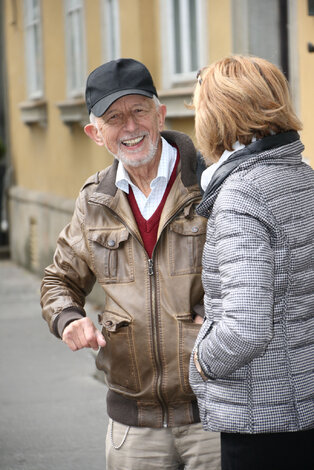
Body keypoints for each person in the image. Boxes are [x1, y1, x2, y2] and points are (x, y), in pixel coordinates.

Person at [40, 58, 221, 470]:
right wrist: (67, 318)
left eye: (140, 111)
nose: (130, 127)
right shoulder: (94, 201)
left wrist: (219, 314)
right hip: (133, 423)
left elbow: (255, 271)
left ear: (160, 114)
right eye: (114, 118)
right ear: (95, 133)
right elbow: (59, 279)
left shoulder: (210, 184)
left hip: (212, 412)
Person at [189, 55, 314, 470]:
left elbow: (245, 329)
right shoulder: (303, 177)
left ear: (220, 116)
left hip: (262, 418)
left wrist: (202, 362)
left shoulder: (243, 195)